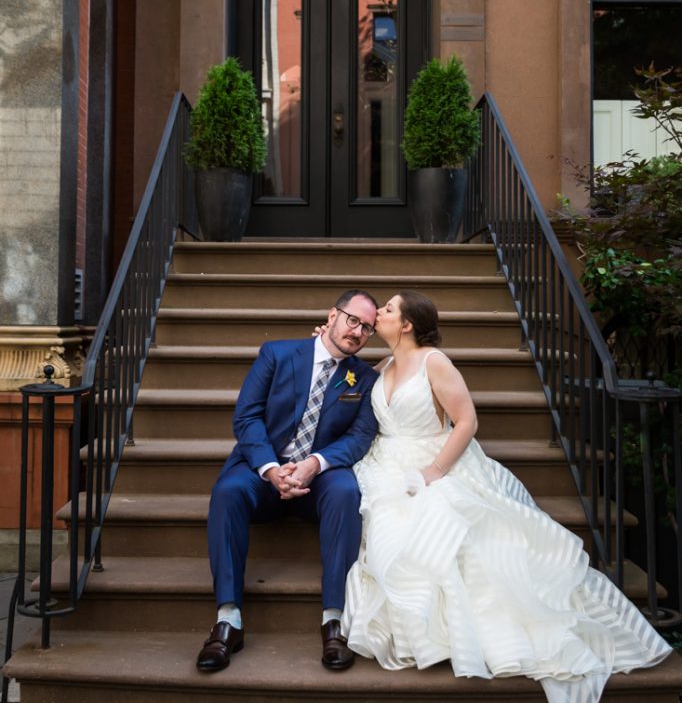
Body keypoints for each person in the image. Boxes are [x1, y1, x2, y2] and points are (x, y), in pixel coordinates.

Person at [341, 290, 672, 703]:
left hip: (434, 460)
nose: (379, 315)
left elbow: (466, 421)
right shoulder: (383, 364)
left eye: (387, 309)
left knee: (444, 524)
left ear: (406, 324)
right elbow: (346, 388)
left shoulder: (434, 361)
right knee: (385, 526)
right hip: (384, 464)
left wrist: (434, 472)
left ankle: (467, 632)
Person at [196, 289, 379, 674]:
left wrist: (314, 463)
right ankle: (228, 619)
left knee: (347, 492)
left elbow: (359, 438)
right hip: (263, 469)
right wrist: (270, 468)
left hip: (320, 478)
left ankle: (334, 621)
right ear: (332, 315)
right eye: (353, 320)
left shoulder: (364, 379)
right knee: (227, 491)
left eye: (368, 328)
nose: (358, 331)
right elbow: (247, 417)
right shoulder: (276, 354)